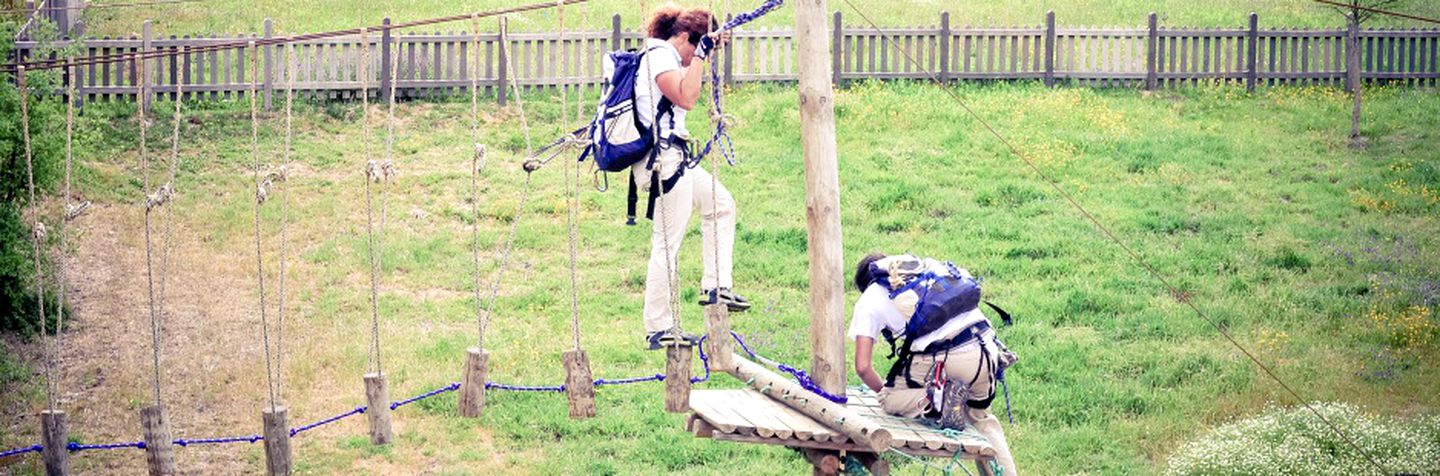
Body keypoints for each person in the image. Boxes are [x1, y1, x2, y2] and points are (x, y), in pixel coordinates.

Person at [634, 4, 751, 351]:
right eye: (693, 49)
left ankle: (716, 286)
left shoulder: (670, 55)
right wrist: (699, 56)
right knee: (667, 244)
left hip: (675, 157)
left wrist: (703, 51)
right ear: (684, 37)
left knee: (721, 204)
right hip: (662, 161)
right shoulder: (659, 55)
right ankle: (658, 327)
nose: (692, 60)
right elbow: (685, 97)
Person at [848, 252, 1019, 475]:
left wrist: (888, 391)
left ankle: (940, 399)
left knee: (889, 398)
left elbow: (862, 367)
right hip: (988, 349)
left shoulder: (869, 299)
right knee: (981, 419)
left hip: (948, 357)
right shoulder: (924, 268)